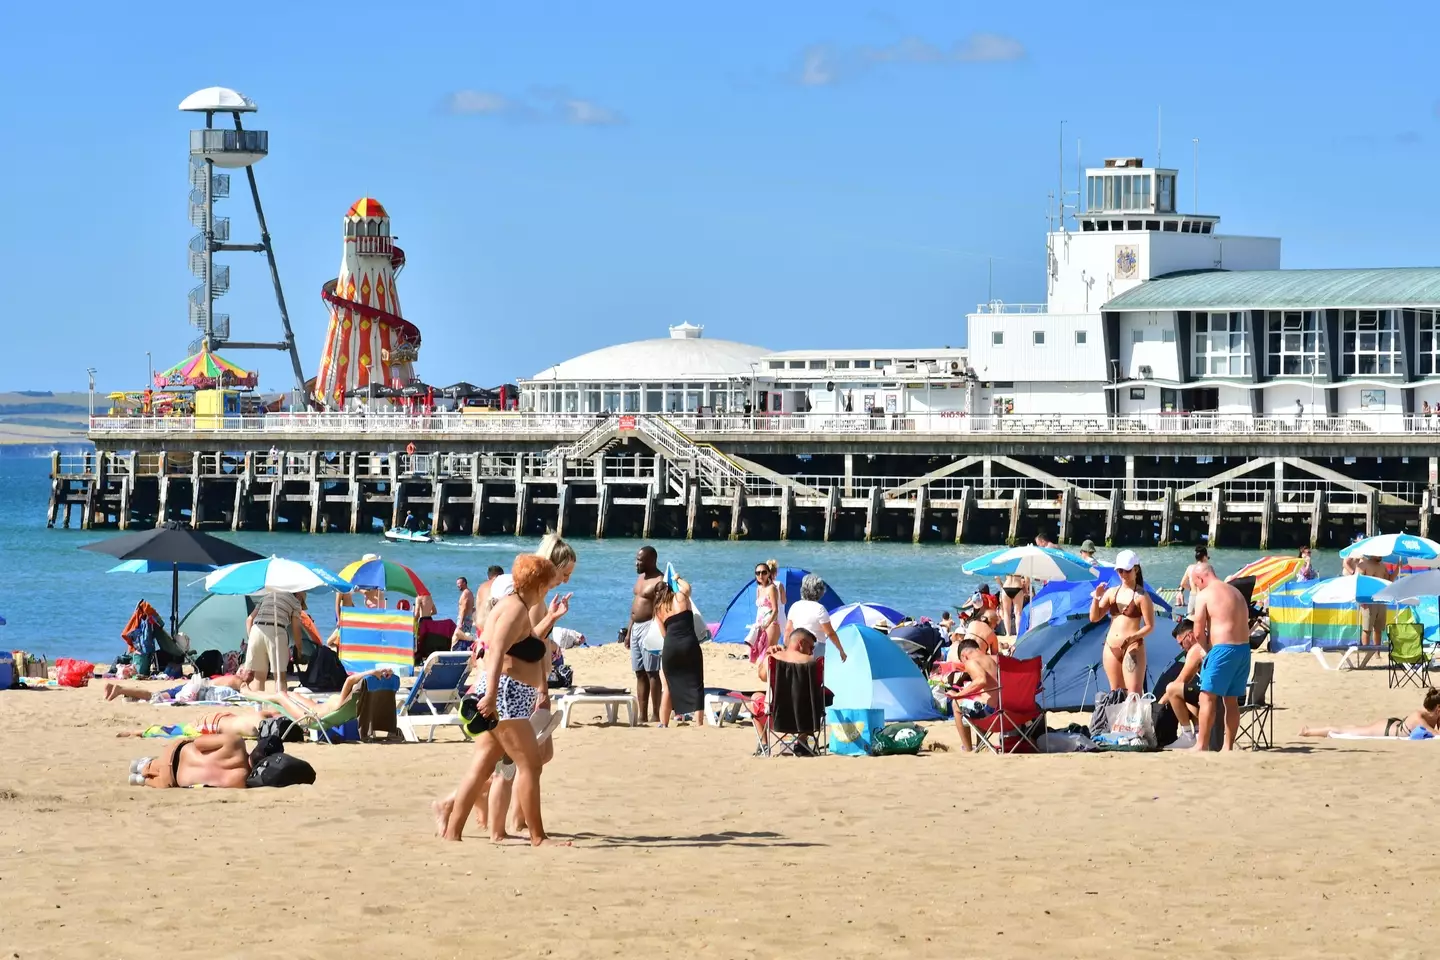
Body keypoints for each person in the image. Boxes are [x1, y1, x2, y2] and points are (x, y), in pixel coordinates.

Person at [435, 554, 571, 845]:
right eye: (546, 586)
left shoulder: (514, 606)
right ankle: (538, 837)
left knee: (483, 765)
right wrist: (492, 696)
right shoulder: (515, 609)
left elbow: (523, 641)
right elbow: (496, 650)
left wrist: (551, 617)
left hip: (506, 693)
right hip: (505, 695)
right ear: (535, 585)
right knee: (531, 765)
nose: (547, 590)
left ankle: (453, 832)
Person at [1188, 562, 1252, 752]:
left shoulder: (1205, 594)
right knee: (1230, 700)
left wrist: (1207, 650)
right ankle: (1227, 746)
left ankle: (1201, 745)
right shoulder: (1236, 592)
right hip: (1243, 649)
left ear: (1200, 578)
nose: (1197, 586)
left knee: (1206, 697)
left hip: (1223, 649)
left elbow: (1198, 632)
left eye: (1196, 582)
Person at [1089, 549, 1155, 695]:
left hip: (1132, 646)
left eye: (1127, 570)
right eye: (1120, 571)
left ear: (1136, 570)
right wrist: (1096, 597)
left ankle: (1131, 718)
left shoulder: (1142, 596)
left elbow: (1150, 626)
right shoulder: (1112, 592)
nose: (1123, 574)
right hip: (1111, 646)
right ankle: (1118, 719)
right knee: (1116, 693)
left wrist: (1133, 637)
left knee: (1133, 694)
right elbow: (1094, 618)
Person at [656, 571, 705, 727]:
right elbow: (688, 587)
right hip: (689, 644)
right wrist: (678, 579)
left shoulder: (658, 610)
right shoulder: (681, 597)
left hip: (671, 647)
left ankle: (663, 723)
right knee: (696, 683)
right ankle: (698, 723)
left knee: (669, 686)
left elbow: (664, 634)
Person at [622, 546, 665, 723]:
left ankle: (656, 714)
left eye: (640, 560)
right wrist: (629, 630)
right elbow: (635, 605)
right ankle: (642, 714)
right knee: (639, 672)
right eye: (636, 559)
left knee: (652, 672)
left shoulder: (660, 581)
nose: (636, 563)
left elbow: (661, 608)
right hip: (636, 627)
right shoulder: (640, 578)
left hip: (650, 626)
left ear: (651, 560)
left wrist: (657, 632)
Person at [1300, 688, 1440, 739]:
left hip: (1395, 724)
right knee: (1346, 731)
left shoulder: (1435, 716)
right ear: (1438, 708)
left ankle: (1311, 730)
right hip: (1387, 729)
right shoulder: (1418, 717)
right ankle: (1308, 731)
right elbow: (1436, 734)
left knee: (1354, 728)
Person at [131, 734, 252, 789]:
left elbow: (199, 743)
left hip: (174, 754)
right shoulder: (241, 781)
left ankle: (144, 765)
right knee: (152, 780)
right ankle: (142, 780)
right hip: (173, 780)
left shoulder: (235, 742)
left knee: (157, 762)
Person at [941, 639, 1000, 753]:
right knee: (977, 701)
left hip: (990, 713)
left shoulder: (971, 662)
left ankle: (967, 749)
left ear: (964, 656)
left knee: (956, 705)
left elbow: (981, 680)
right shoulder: (996, 659)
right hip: (1006, 710)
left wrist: (958, 695)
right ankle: (981, 744)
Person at [243, 588, 302, 693]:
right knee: (280, 676)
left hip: (256, 630)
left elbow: (249, 620)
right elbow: (296, 628)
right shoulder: (295, 602)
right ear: (297, 593)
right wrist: (299, 649)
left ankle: (258, 707)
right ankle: (279, 706)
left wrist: (251, 638)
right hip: (276, 631)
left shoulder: (267, 596)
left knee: (259, 677)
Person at [1161, 618, 1207, 750]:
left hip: (1215, 699)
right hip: (1231, 695)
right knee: (1186, 694)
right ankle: (1198, 733)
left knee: (1172, 689)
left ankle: (1187, 736)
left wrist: (1160, 703)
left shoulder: (1196, 649)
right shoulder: (1209, 641)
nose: (1181, 648)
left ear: (1190, 635)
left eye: (1181, 643)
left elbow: (1181, 680)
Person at [782, 574, 848, 662]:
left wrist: (786, 648)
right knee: (816, 674)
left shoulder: (795, 606)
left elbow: (788, 630)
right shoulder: (820, 609)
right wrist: (841, 650)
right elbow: (830, 633)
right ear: (819, 591)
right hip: (815, 647)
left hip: (797, 645)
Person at [117, 709, 278, 739]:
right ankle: (138, 732)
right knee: (176, 731)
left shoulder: (262, 718)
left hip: (219, 719)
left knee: (177, 729)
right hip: (211, 725)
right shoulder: (259, 727)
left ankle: (138, 732)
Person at [103, 673, 244, 704]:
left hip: (190, 686)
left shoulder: (230, 678)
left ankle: (129, 694)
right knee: (154, 696)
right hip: (191, 689)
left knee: (158, 695)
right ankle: (120, 689)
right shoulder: (235, 681)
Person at [1355, 552, 1391, 648]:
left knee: (1378, 629)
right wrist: (1362, 600)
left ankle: (1377, 652)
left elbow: (1389, 581)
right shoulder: (1363, 565)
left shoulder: (1382, 566)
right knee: (1367, 629)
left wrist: (1397, 569)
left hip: (1381, 600)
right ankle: (1366, 652)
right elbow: (1358, 583)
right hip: (1368, 600)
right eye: (1379, 553)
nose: (1381, 555)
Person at [752, 559, 783, 655]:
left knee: (768, 654)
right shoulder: (759, 588)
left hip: (770, 624)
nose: (760, 575)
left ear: (769, 573)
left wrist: (766, 624)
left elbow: (775, 610)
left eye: (764, 572)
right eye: (758, 573)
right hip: (760, 623)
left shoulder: (772, 588)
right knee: (760, 653)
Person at [1178, 545, 1209, 617]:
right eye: (1208, 557)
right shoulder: (1207, 568)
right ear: (1204, 557)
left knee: (1190, 622)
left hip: (1192, 597)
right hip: (1202, 598)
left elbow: (1182, 584)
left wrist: (1191, 588)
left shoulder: (1190, 568)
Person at [998, 573, 1029, 637]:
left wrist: (1001, 585)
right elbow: (1027, 578)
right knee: (1018, 613)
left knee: (1006, 612)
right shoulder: (1020, 564)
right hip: (1017, 587)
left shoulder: (1008, 563)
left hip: (1006, 587)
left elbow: (996, 577)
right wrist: (1026, 588)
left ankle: (1008, 634)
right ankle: (1018, 633)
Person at [453, 576, 476, 648]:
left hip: (464, 619)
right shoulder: (470, 593)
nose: (458, 585)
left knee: (456, 637)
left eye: (459, 583)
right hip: (468, 618)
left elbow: (464, 608)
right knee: (464, 637)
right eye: (457, 584)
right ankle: (464, 650)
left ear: (464, 583)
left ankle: (453, 653)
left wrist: (460, 622)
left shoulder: (465, 593)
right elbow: (473, 608)